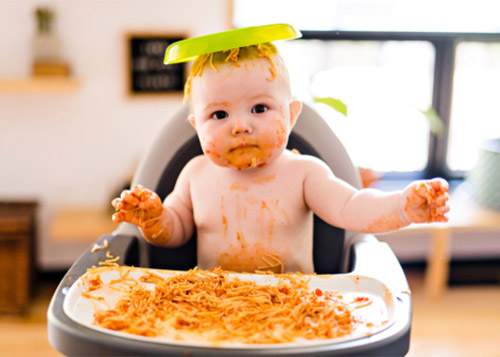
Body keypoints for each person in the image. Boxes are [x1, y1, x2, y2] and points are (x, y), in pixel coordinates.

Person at [112, 37, 449, 274]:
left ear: (290, 115)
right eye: (218, 115)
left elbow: (353, 208)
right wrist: (154, 219)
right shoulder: (195, 175)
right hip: (211, 306)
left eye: (259, 108)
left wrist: (403, 207)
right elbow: (176, 230)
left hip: (295, 307)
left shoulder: (304, 174)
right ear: (195, 126)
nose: (241, 126)